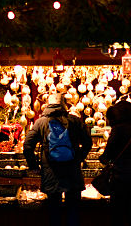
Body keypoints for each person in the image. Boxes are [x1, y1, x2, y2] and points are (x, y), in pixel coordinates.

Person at [23, 93, 92, 226]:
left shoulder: (40, 122)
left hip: (51, 172)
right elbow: (88, 143)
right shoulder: (75, 121)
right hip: (72, 172)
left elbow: (27, 146)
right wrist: (79, 157)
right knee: (73, 211)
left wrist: (34, 166)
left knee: (54, 212)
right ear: (64, 105)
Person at [100, 100, 131, 226]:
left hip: (120, 175)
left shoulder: (118, 129)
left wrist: (103, 159)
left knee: (118, 213)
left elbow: (108, 153)